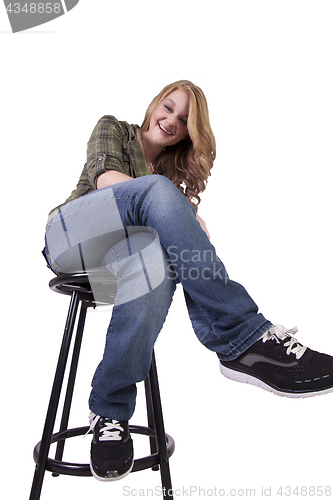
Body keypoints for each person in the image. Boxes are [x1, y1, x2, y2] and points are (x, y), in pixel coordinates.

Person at [44, 80, 333, 482]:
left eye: (183, 120)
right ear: (153, 106)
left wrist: (173, 212)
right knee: (158, 198)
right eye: (168, 108)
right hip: (72, 236)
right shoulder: (116, 129)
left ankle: (109, 415)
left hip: (122, 260)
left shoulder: (166, 179)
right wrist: (171, 204)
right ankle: (243, 336)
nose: (171, 121)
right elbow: (106, 180)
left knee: (158, 270)